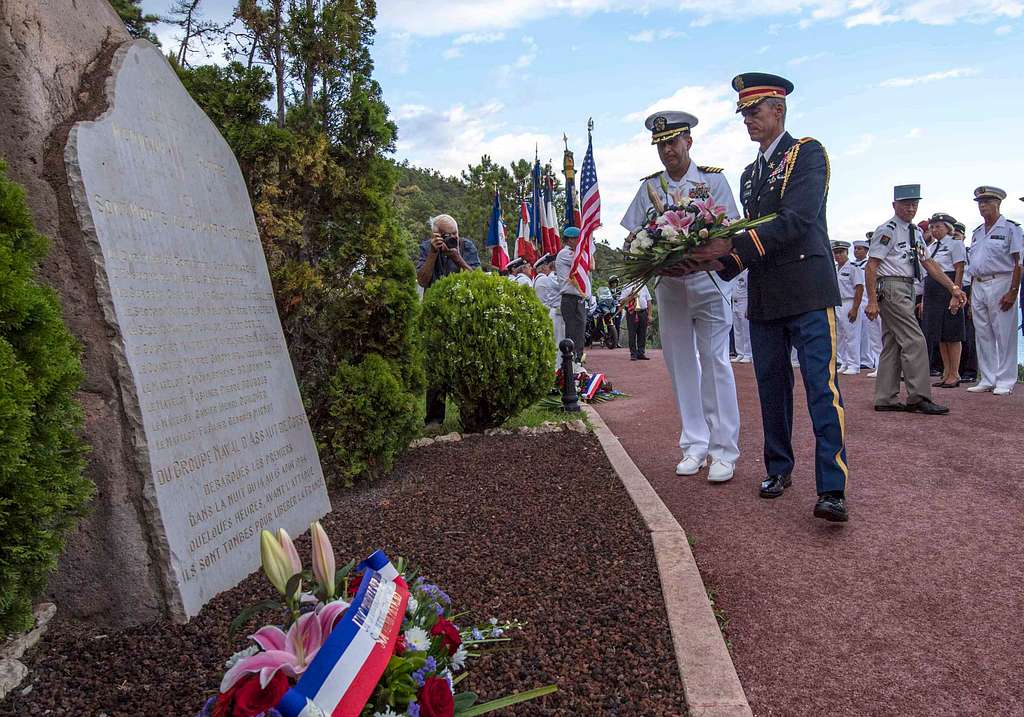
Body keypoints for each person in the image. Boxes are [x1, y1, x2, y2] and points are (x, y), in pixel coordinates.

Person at [687, 73, 849, 521]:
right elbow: (745, 245)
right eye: (743, 115)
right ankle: (778, 468)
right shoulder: (749, 174)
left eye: (754, 112)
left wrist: (730, 248)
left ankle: (832, 487)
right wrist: (705, 260)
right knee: (771, 389)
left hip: (808, 290)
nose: (747, 121)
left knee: (822, 389)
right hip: (766, 297)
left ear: (778, 110)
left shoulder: (808, 154)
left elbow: (797, 219)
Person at [621, 110, 741, 483]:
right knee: (680, 364)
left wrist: (699, 257)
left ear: (689, 141)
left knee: (715, 360)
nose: (667, 151)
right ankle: (694, 444)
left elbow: (730, 232)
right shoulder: (649, 188)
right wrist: (651, 259)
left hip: (709, 283)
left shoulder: (713, 181)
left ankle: (724, 450)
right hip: (671, 287)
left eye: (673, 142)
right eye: (661, 144)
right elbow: (633, 240)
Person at [864, 185, 966, 415]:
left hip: (906, 287)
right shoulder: (887, 230)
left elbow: (928, 263)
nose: (911, 208)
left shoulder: (915, 232)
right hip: (892, 286)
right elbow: (871, 266)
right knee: (915, 340)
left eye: (914, 204)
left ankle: (885, 397)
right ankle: (919, 397)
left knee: (892, 343)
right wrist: (871, 300)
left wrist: (953, 288)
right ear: (894, 205)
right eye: (906, 204)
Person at [416, 214, 482, 429]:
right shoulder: (427, 248)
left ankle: (471, 416)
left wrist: (457, 258)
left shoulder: (466, 246)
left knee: (467, 366)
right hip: (435, 315)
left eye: (455, 234)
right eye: (447, 236)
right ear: (436, 235)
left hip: (463, 313)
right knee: (435, 368)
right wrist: (433, 255)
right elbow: (422, 280)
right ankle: (434, 418)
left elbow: (476, 279)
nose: (453, 238)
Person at [965, 186, 1022, 396]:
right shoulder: (977, 232)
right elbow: (973, 264)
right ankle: (988, 378)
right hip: (979, 283)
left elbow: (1019, 263)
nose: (982, 206)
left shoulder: (1010, 229)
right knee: (983, 333)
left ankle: (1005, 380)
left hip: (1001, 281)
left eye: (987, 202)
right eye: (980, 203)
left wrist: (1013, 291)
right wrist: (971, 294)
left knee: (1004, 333)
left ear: (998, 204)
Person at [923, 213, 967, 388]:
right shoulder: (931, 246)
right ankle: (946, 371)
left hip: (948, 288)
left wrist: (955, 294)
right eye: (932, 227)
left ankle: (954, 373)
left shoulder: (955, 244)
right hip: (933, 290)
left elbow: (959, 268)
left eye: (938, 226)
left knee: (952, 333)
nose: (934, 230)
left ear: (948, 228)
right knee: (939, 334)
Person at [556, 226, 587, 365]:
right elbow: (581, 264)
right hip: (569, 298)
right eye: (577, 239)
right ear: (570, 240)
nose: (579, 242)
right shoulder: (565, 253)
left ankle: (577, 360)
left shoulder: (575, 252)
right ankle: (571, 362)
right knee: (573, 330)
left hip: (577, 298)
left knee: (580, 330)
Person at [832, 241, 864, 375]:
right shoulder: (834, 268)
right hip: (838, 303)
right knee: (840, 336)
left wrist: (855, 308)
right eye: (836, 252)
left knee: (852, 336)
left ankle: (854, 364)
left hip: (849, 302)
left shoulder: (853, 267)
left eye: (841, 252)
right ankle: (844, 362)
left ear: (846, 252)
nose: (838, 255)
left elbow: (859, 288)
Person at [853, 237, 881, 372]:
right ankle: (875, 363)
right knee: (870, 335)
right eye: (855, 249)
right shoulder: (854, 265)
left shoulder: (873, 264)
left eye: (860, 249)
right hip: (861, 301)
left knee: (879, 334)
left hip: (875, 300)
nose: (857, 251)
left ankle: (877, 363)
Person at [955, 221, 979, 382]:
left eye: (957, 235)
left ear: (963, 236)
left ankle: (970, 372)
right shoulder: (948, 250)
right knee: (956, 333)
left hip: (969, 290)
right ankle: (957, 369)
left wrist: (971, 299)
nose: (955, 238)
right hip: (954, 291)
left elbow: (974, 275)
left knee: (970, 334)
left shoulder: (969, 253)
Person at [532, 253, 563, 368]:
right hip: (553, 314)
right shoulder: (549, 278)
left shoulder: (544, 278)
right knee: (557, 344)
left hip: (552, 313)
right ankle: (557, 370)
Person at [624, 283, 653, 360]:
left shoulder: (644, 286)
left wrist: (649, 315)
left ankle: (641, 353)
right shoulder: (626, 286)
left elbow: (649, 301)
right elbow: (622, 301)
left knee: (642, 333)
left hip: (643, 312)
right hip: (631, 313)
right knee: (632, 334)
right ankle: (633, 354)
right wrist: (631, 296)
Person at [731, 270, 752, 363]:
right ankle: (740, 353)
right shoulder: (734, 272)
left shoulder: (747, 272)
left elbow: (750, 290)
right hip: (734, 301)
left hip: (744, 301)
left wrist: (749, 306)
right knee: (737, 329)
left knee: (745, 329)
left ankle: (748, 354)